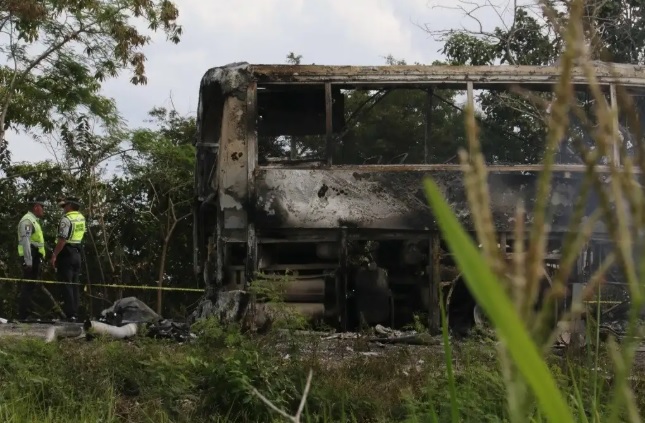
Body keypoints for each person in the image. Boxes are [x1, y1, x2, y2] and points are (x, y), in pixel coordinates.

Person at [50, 196, 86, 322]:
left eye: (64, 206)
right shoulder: (81, 218)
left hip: (66, 253)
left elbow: (62, 240)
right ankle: (74, 313)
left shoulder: (66, 219)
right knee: (75, 284)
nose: (63, 208)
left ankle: (70, 314)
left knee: (66, 284)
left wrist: (54, 255)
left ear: (70, 205)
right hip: (77, 253)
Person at [17, 197, 47, 320]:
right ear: (36, 207)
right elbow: (26, 241)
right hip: (30, 256)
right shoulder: (27, 221)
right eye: (42, 207)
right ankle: (24, 314)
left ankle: (27, 312)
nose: (43, 210)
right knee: (28, 286)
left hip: (35, 256)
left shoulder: (34, 221)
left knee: (31, 286)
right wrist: (28, 261)